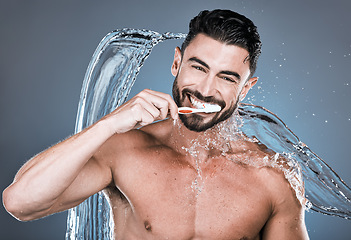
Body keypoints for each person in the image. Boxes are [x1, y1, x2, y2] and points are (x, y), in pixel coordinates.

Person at [3, 9, 309, 239]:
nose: (205, 88)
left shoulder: (273, 177)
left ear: (245, 88)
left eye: (226, 77)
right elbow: (20, 203)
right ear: (176, 62)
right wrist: (108, 124)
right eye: (198, 67)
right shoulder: (124, 150)